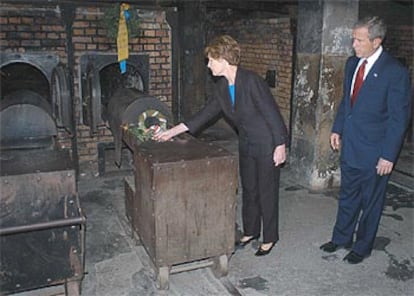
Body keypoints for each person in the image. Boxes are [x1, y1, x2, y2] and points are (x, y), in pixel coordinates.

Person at [153, 35, 288, 256]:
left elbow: (272, 114)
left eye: (211, 60)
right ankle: (251, 231)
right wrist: (171, 132)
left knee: (267, 191)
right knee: (250, 190)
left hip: (267, 144)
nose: (208, 65)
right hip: (246, 144)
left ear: (223, 59)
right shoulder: (223, 87)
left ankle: (270, 237)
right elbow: (204, 115)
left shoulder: (252, 81)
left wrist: (280, 145)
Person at [320, 16, 412, 264]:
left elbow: (398, 119)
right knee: (348, 195)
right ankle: (341, 238)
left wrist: (388, 155)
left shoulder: (395, 72)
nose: (354, 44)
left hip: (375, 152)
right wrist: (337, 128)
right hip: (351, 145)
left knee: (371, 202)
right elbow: (346, 101)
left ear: (376, 41)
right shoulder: (352, 64)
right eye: (353, 38)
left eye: (359, 40)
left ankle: (362, 246)